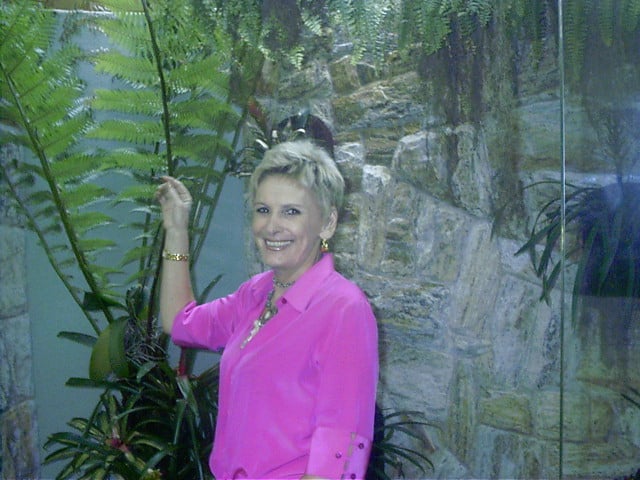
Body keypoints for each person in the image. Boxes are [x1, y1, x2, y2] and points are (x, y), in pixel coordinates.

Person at [156, 139, 379, 480]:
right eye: (263, 210)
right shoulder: (257, 293)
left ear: (327, 223)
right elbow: (179, 322)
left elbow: (339, 452)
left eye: (291, 211)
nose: (272, 226)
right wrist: (176, 231)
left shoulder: (344, 309)